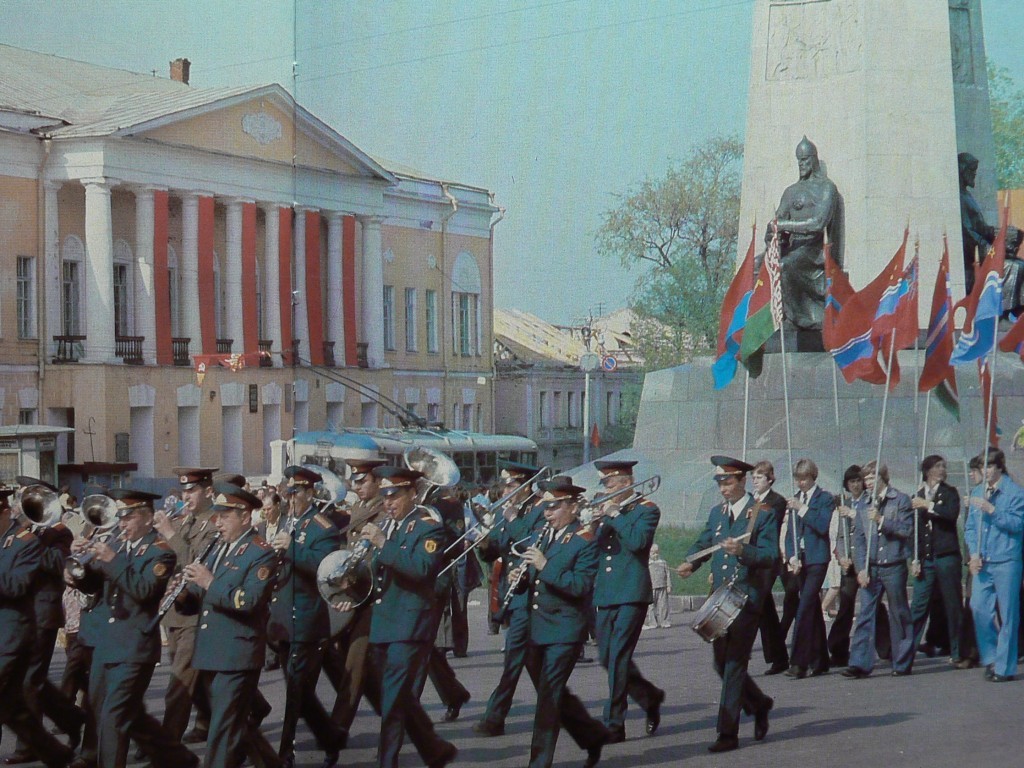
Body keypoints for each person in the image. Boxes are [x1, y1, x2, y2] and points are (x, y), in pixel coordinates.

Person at [77, 488, 198, 768]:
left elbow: (143, 591)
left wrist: (111, 560)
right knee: (112, 712)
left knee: (114, 717)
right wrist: (78, 572)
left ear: (146, 518)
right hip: (107, 642)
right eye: (120, 519)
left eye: (128, 518)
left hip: (134, 645)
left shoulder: (160, 552)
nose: (122, 525)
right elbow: (96, 586)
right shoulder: (120, 547)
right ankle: (178, 758)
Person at [677, 456, 778, 753]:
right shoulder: (717, 513)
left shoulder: (762, 513)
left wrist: (743, 550)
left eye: (728, 482)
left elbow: (771, 555)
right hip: (721, 596)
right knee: (721, 662)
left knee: (734, 663)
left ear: (742, 481)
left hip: (746, 598)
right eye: (720, 483)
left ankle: (727, 733)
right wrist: (691, 562)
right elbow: (704, 542)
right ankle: (758, 703)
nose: (723, 488)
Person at [359, 465, 456, 768]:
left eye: (395, 496)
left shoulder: (428, 527)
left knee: (392, 699)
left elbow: (421, 569)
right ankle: (435, 749)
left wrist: (382, 544)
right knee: (393, 696)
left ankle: (387, 761)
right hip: (383, 622)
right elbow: (377, 577)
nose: (388, 503)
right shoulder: (389, 526)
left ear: (412, 494)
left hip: (409, 624)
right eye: (385, 497)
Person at [180, 482, 281, 768]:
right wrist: (183, 594)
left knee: (222, 729)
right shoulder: (219, 547)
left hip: (237, 652)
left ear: (245, 517)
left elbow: (249, 601)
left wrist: (209, 582)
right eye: (217, 516)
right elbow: (200, 595)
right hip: (212, 650)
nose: (218, 522)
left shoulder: (260, 552)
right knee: (233, 722)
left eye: (225, 516)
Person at [517, 476, 609, 768]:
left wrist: (545, 565)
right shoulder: (543, 535)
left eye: (554, 507)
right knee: (553, 693)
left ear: (572, 507)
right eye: (546, 508)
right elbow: (534, 581)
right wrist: (519, 578)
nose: (548, 513)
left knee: (547, 697)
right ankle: (592, 735)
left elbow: (580, 586)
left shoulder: (585, 540)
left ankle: (539, 763)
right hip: (537, 627)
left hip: (564, 629)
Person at [267, 465, 346, 768]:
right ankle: (331, 737)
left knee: (296, 691)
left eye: (296, 492)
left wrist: (291, 549)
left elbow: (327, 569)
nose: (290, 498)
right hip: (284, 617)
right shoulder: (287, 521)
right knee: (299, 691)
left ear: (310, 493)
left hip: (306, 618)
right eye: (288, 492)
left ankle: (285, 753)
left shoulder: (322, 527)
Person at [5, 476, 84, 766]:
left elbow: (59, 564)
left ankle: (29, 745)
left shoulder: (58, 532)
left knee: (28, 681)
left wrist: (33, 541)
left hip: (42, 613)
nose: (21, 504)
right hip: (18, 615)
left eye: (29, 498)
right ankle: (71, 717)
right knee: (27, 680)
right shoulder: (15, 531)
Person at [589, 460, 664, 742]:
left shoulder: (647, 509)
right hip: (606, 592)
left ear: (626, 482)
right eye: (605, 484)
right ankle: (649, 697)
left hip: (631, 591)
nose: (606, 490)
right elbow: (596, 548)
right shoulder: (608, 511)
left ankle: (614, 723)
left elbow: (638, 543)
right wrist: (595, 522)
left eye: (610, 484)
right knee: (607, 657)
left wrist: (614, 514)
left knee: (619, 656)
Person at [473, 461, 546, 736]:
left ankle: (494, 718)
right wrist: (484, 544)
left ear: (526, 485)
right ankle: (562, 709)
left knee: (513, 656)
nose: (505, 491)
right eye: (504, 485)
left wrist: (514, 519)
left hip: (531, 594)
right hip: (512, 593)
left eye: (511, 485)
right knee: (531, 660)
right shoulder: (507, 511)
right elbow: (496, 551)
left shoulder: (540, 510)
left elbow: (532, 544)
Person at [151, 468, 218, 747]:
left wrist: (170, 533)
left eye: (192, 491)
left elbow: (197, 562)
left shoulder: (215, 523)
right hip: (176, 612)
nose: (186, 496)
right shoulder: (183, 521)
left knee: (179, 683)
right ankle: (210, 721)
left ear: (208, 491)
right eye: (184, 491)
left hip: (197, 612)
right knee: (197, 678)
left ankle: (166, 748)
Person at [327, 457, 387, 734]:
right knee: (356, 665)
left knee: (355, 661)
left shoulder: (384, 511)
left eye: (363, 481)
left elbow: (376, 557)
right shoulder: (358, 508)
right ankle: (403, 716)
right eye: (355, 481)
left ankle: (337, 728)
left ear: (377, 482)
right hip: (354, 593)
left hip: (374, 596)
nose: (356, 486)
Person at [844, 462, 914, 678]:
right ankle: (859, 663)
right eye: (866, 478)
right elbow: (859, 540)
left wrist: (882, 520)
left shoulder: (900, 499)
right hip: (871, 567)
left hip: (893, 564)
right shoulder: (863, 504)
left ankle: (901, 661)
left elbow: (906, 529)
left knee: (898, 612)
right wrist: (860, 568)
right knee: (865, 613)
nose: (868, 482)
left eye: (872, 477)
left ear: (883, 477)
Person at [964, 448, 1024, 682]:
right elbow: (971, 528)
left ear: (1000, 466)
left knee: (1008, 614)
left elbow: (1018, 524)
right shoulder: (978, 492)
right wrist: (974, 554)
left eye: (989, 466)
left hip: (1006, 560)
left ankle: (1004, 668)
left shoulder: (1015, 493)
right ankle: (991, 656)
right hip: (983, 561)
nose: (985, 471)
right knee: (978, 607)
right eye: (982, 466)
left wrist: (992, 510)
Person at [770, 135, 839, 331]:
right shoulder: (790, 191)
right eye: (799, 160)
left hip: (814, 250)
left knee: (784, 265)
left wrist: (784, 225)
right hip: (792, 247)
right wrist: (773, 233)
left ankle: (800, 320)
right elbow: (778, 221)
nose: (801, 164)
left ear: (814, 160)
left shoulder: (827, 188)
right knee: (759, 264)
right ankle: (766, 325)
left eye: (805, 160)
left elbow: (818, 223)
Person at [827, 466, 892, 667]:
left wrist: (853, 514)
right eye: (851, 482)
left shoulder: (869, 500)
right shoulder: (844, 503)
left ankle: (886, 647)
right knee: (845, 605)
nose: (855, 485)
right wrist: (842, 556)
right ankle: (838, 650)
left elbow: (869, 524)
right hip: (849, 563)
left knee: (873, 605)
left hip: (866, 562)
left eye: (858, 481)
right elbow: (840, 535)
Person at [908, 455, 964, 668]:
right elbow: (915, 530)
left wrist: (929, 505)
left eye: (943, 466)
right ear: (927, 470)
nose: (942, 469)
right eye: (937, 466)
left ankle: (957, 650)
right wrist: (915, 557)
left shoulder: (949, 493)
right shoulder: (917, 495)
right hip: (927, 559)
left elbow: (951, 514)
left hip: (946, 556)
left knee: (953, 604)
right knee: (919, 605)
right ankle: (907, 652)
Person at [784, 459, 833, 678]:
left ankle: (798, 662)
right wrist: (792, 556)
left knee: (804, 608)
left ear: (813, 477)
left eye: (804, 478)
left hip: (817, 559)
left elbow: (822, 525)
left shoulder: (824, 498)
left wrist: (802, 509)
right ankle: (820, 659)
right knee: (811, 607)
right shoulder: (796, 499)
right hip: (801, 560)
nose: (800, 483)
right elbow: (791, 533)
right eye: (798, 478)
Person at [748, 461, 789, 675]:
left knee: (756, 605)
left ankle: (742, 653)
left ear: (770, 479)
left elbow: (769, 525)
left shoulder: (776, 501)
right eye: (753, 477)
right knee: (766, 610)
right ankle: (779, 657)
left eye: (759, 477)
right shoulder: (750, 500)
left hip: (767, 561)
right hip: (752, 559)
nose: (755, 481)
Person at [959, 152, 996, 294]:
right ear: (962, 170)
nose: (975, 174)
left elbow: (979, 227)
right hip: (972, 257)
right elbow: (967, 231)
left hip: (981, 250)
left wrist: (999, 233)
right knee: (1014, 267)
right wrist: (987, 248)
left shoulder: (967, 196)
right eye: (972, 169)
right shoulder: (959, 198)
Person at [643, 544, 672, 629]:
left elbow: (668, 574)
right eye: (653, 553)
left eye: (656, 552)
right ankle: (653, 623)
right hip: (651, 587)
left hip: (662, 586)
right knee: (651, 606)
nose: (655, 555)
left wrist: (669, 585)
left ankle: (664, 621)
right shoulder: (647, 563)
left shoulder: (663, 563)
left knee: (663, 605)